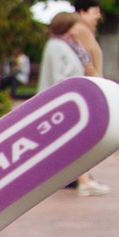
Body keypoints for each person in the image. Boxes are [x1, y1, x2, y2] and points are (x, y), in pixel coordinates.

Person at [38, 12, 107, 195]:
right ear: (67, 26)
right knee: (75, 142)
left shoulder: (71, 46)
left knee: (75, 143)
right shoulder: (57, 46)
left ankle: (82, 179)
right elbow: (58, 78)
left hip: (70, 102)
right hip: (62, 104)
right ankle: (83, 180)